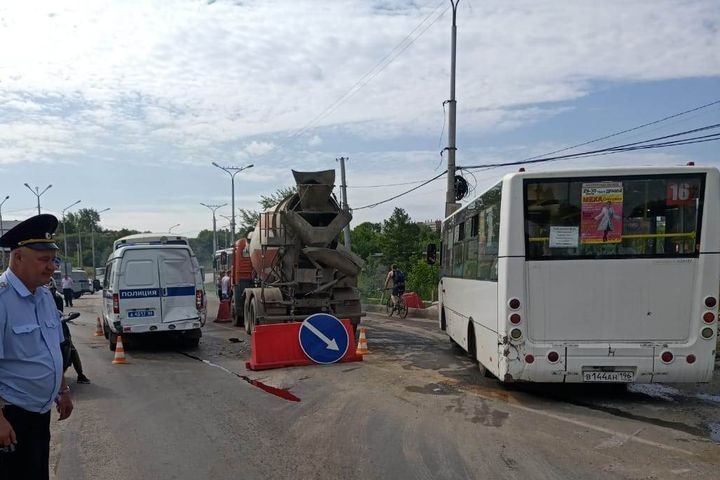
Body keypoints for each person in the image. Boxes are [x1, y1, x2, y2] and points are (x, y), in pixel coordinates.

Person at [0, 214, 73, 480]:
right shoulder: (2, 299)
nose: (52, 267)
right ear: (18, 258)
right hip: (11, 416)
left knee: (38, 472)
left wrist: (62, 389)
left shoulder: (44, 297)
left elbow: (50, 349)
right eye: (44, 260)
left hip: (39, 414)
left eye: (53, 259)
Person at [49, 283, 90, 385]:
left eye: (52, 289)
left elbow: (60, 314)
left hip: (58, 326)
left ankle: (80, 375)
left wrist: (63, 319)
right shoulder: (35, 298)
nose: (51, 292)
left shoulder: (57, 298)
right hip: (45, 330)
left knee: (71, 348)